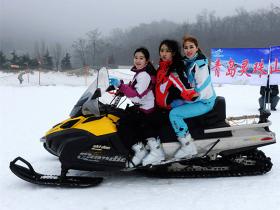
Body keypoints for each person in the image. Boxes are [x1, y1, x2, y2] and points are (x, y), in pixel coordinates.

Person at [142, 39, 198, 166]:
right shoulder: (161, 68)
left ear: (173, 53)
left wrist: (191, 96)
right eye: (162, 50)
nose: (164, 53)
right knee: (142, 116)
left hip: (172, 108)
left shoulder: (174, 68)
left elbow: (184, 86)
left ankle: (157, 153)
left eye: (167, 51)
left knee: (146, 122)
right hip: (162, 107)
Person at [169, 35, 216, 159]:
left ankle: (187, 146)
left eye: (191, 47)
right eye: (185, 48)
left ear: (197, 48)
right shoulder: (189, 62)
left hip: (204, 101)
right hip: (197, 99)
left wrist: (185, 100)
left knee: (174, 114)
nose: (188, 50)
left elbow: (201, 88)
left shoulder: (200, 65)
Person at [109, 47, 157, 167]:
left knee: (123, 124)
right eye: (136, 58)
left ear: (147, 61)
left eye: (141, 58)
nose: (138, 60)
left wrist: (121, 86)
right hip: (141, 107)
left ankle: (140, 151)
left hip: (146, 110)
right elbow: (133, 89)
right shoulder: (140, 73)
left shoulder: (144, 75)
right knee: (120, 114)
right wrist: (121, 89)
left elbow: (136, 96)